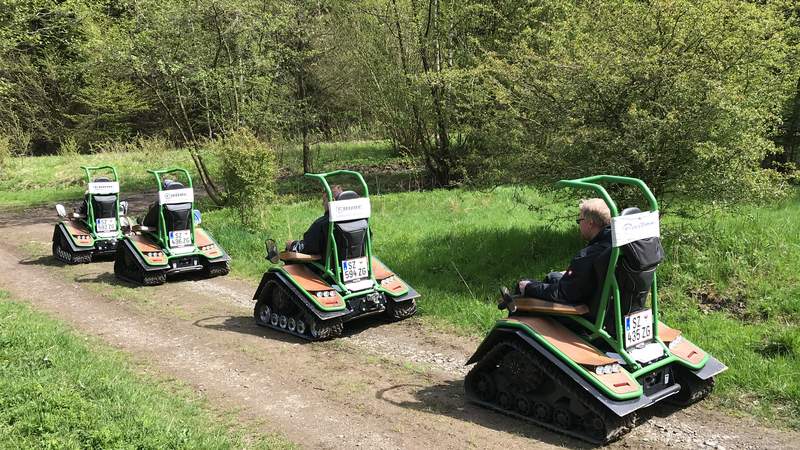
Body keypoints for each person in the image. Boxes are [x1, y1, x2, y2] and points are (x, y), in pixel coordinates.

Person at [509, 198, 612, 306]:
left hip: (585, 312)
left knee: (524, 286)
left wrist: (528, 287)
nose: (579, 225)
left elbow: (561, 294)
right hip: (608, 308)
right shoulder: (616, 246)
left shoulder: (588, 255)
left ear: (590, 223)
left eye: (579, 221)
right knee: (553, 277)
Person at [286, 185, 343, 255]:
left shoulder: (322, 224)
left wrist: (292, 244)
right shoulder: (357, 221)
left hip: (326, 264)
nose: (322, 204)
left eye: (324, 200)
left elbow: (308, 247)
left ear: (332, 200)